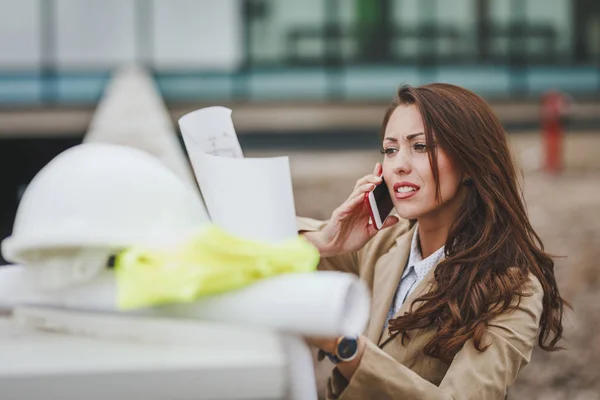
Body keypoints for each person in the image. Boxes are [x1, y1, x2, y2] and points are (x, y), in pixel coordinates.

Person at [298, 83, 567, 399]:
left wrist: (343, 346)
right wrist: (325, 239)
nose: (399, 165)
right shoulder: (381, 243)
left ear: (469, 162)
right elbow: (253, 243)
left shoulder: (512, 288)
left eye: (421, 147)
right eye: (390, 149)